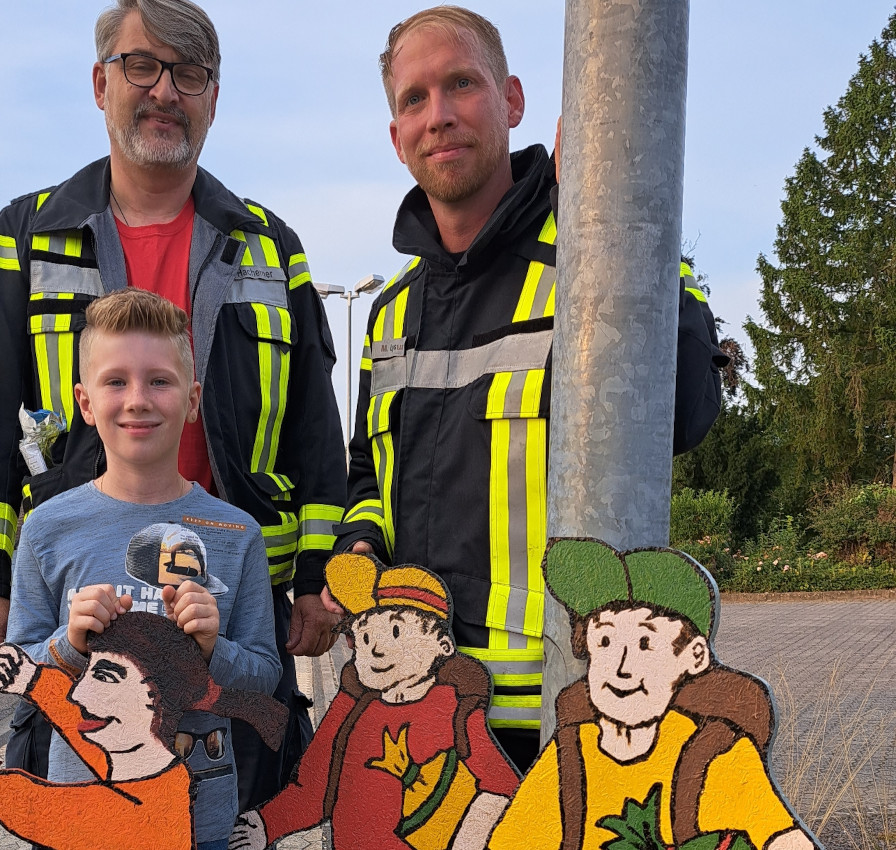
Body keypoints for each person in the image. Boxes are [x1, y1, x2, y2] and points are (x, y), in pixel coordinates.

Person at [0, 0, 345, 804]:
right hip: (85, 593)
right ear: (101, 83)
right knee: (100, 789)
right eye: (142, 66)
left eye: (188, 73)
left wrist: (315, 575)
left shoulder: (273, 247)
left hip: (234, 597)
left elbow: (314, 423)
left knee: (234, 799)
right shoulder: (27, 233)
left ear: (213, 97)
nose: (165, 90)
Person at [331, 6, 727, 773]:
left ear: (511, 101)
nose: (439, 115)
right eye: (414, 99)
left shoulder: (592, 262)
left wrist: (615, 215)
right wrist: (357, 544)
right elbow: (365, 480)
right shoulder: (389, 315)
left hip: (559, 717)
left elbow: (684, 415)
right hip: (422, 715)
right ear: (396, 138)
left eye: (461, 84)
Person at [2, 288, 283, 849]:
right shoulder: (46, 529)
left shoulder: (238, 533)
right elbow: (16, 673)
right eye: (115, 381)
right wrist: (68, 644)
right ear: (85, 402)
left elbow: (265, 675)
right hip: (85, 818)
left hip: (198, 819)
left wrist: (213, 649)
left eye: (159, 380)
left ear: (192, 398)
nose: (137, 399)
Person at [485, 538, 818, 850]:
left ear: (694, 655)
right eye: (605, 641)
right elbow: (512, 838)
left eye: (645, 644)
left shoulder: (712, 752)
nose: (621, 667)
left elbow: (782, 838)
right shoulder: (572, 752)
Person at [232, 553, 519, 850]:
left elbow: (502, 789)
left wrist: (469, 834)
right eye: (366, 636)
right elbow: (315, 787)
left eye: (395, 631)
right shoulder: (352, 706)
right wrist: (265, 825)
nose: (377, 649)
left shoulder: (457, 711)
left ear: (442, 645)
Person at [0, 613, 287, 850]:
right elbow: (82, 724)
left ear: (154, 699)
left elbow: (60, 815)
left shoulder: (145, 808)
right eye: (89, 674)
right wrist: (33, 680)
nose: (79, 691)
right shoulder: (146, 765)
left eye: (104, 677)